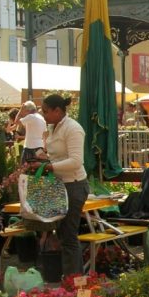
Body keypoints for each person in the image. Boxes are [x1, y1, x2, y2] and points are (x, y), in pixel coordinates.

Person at [35, 94, 89, 278]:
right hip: (59, 185)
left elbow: (76, 161)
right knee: (63, 235)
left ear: (57, 111)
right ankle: (71, 279)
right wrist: (43, 157)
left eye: (45, 111)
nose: (43, 115)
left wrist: (49, 166)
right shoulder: (52, 127)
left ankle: (75, 282)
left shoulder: (73, 128)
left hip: (74, 185)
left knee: (69, 236)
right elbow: (57, 155)